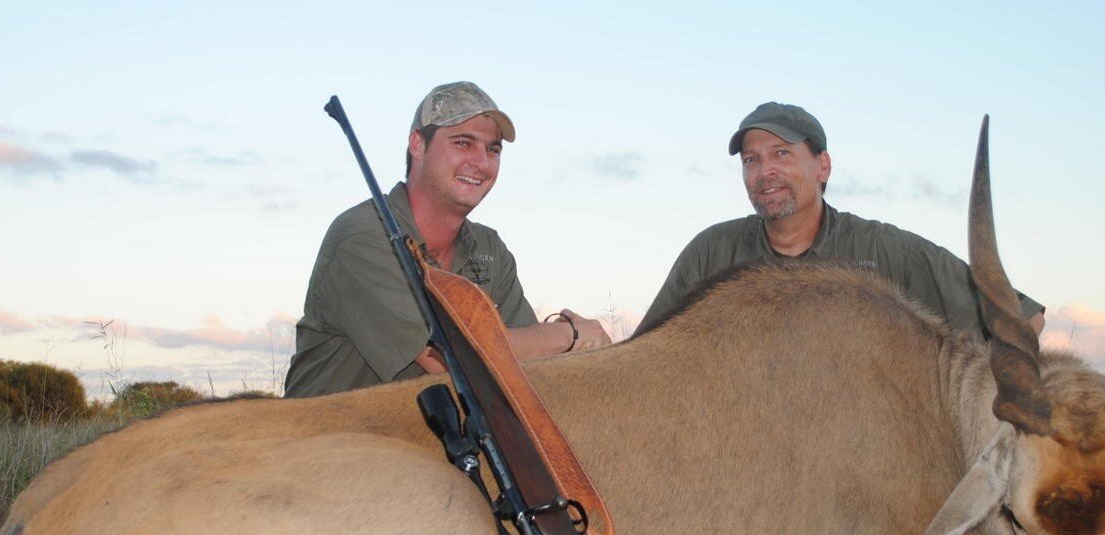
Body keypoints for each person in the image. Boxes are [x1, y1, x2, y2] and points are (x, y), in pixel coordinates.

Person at [285, 82, 611, 398]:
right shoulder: (362, 237)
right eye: (462, 143)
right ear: (417, 144)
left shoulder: (489, 249)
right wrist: (570, 333)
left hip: (429, 444)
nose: (482, 163)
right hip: (330, 440)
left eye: (493, 149)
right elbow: (447, 360)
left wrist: (580, 353)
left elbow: (532, 361)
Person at [637, 102, 1044, 335]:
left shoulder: (883, 251)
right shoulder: (713, 251)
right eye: (751, 160)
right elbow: (648, 349)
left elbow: (1026, 319)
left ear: (823, 167)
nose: (765, 171)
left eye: (782, 154)